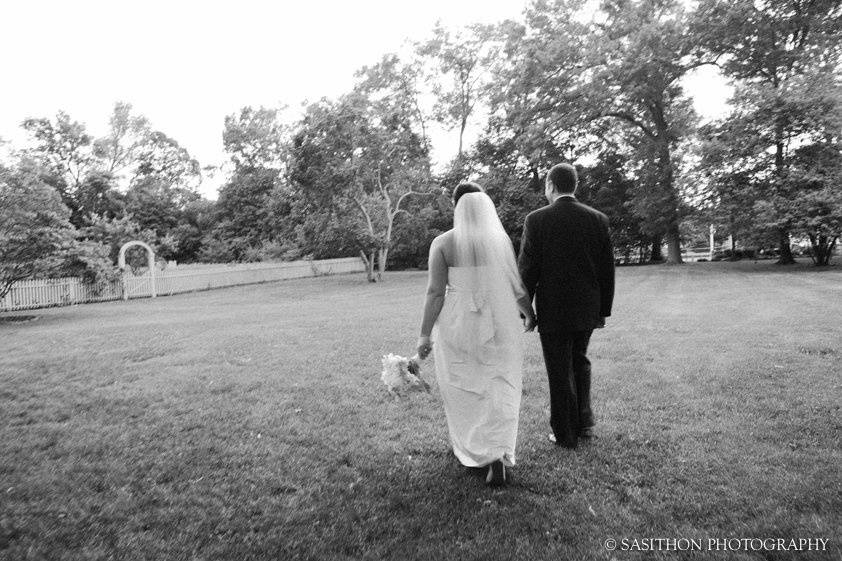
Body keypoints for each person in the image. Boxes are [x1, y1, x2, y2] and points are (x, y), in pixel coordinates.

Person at [416, 182, 536, 487]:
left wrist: (424, 336)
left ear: (456, 206)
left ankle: (472, 448)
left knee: (463, 383)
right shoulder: (499, 241)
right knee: (498, 381)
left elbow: (434, 292)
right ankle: (497, 454)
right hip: (498, 318)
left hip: (460, 321)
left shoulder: (443, 243)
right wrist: (529, 312)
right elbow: (514, 285)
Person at [518, 163, 615, 449]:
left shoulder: (536, 220)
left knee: (559, 370)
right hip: (587, 308)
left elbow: (526, 271)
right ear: (575, 185)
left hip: (554, 310)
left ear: (550, 185)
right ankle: (583, 424)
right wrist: (603, 311)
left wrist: (527, 311)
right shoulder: (598, 219)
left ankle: (565, 434)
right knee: (580, 362)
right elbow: (606, 270)